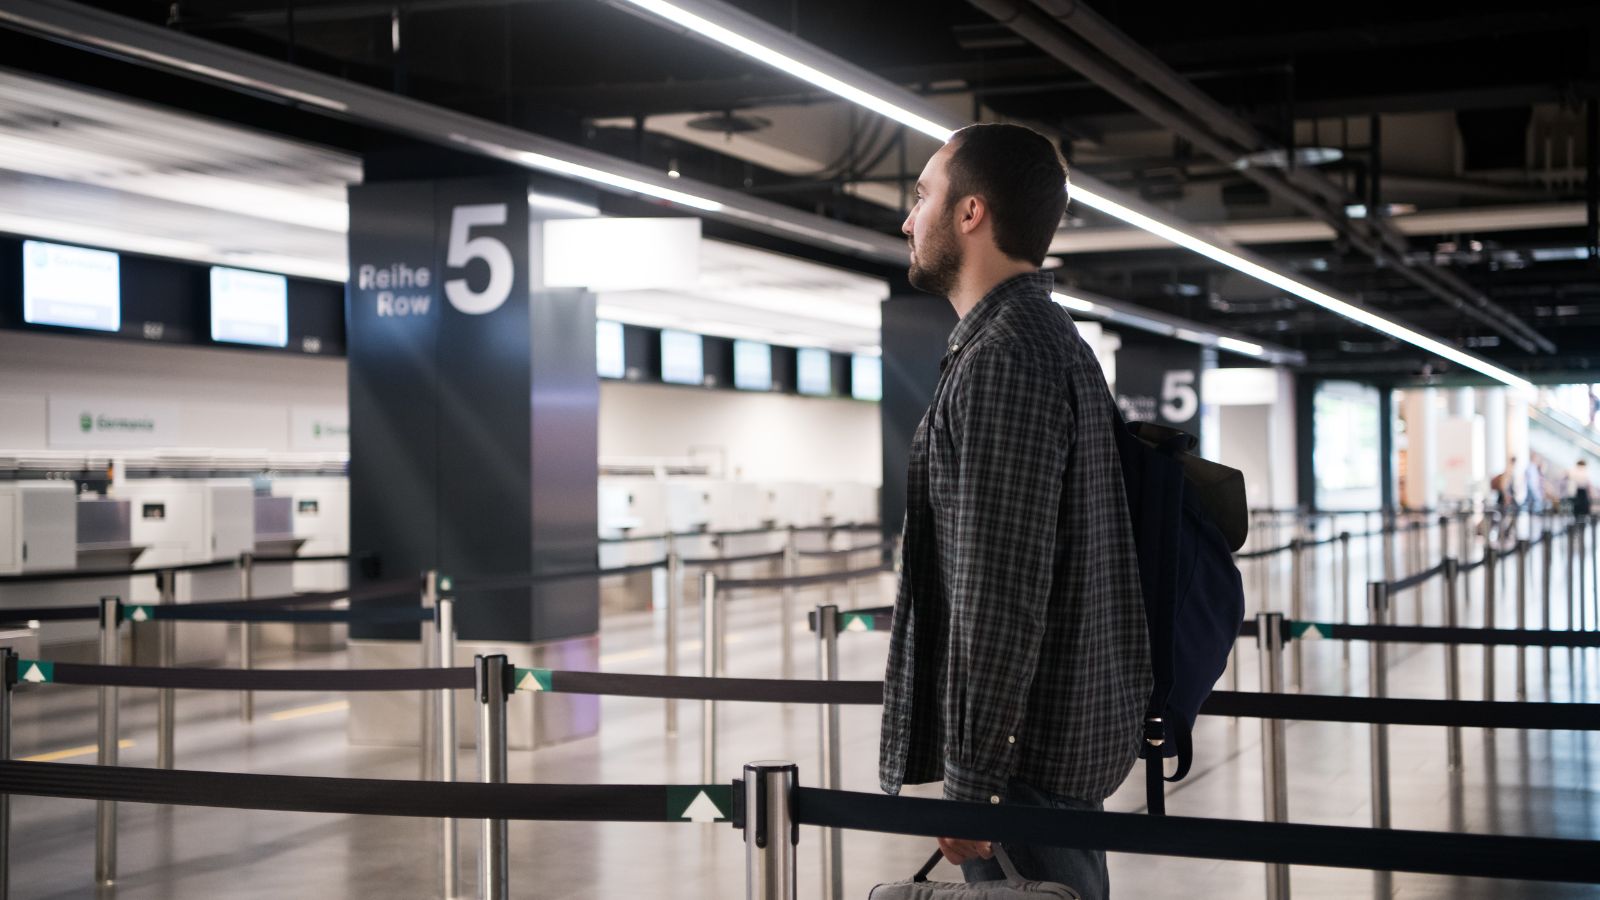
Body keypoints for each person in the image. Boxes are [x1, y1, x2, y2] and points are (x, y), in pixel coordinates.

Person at [878, 122, 1150, 900]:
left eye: (922, 195)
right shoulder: (1027, 340)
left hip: (1027, 761)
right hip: (1043, 748)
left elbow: (1000, 590)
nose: (908, 218)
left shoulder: (1007, 358)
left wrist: (974, 782)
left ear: (970, 213)